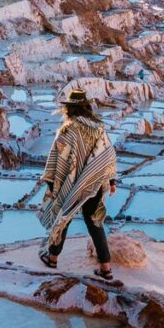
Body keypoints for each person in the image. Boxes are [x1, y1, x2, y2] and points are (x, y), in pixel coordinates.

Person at [38, 90, 118, 280]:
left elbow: (57, 158)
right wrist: (111, 181)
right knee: (95, 223)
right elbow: (108, 156)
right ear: (87, 107)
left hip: (70, 183)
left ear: (69, 108)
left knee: (63, 217)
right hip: (94, 183)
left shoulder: (68, 130)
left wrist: (51, 184)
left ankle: (52, 258)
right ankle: (105, 268)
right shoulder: (99, 128)